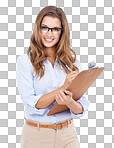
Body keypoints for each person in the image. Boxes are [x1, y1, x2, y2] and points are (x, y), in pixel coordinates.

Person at [16, 6, 90, 148]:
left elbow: (81, 107)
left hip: (68, 134)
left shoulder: (72, 63)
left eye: (55, 29)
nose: (49, 34)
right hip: (37, 135)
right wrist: (63, 87)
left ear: (62, 32)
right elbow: (31, 104)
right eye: (45, 27)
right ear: (38, 29)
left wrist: (69, 102)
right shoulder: (25, 62)